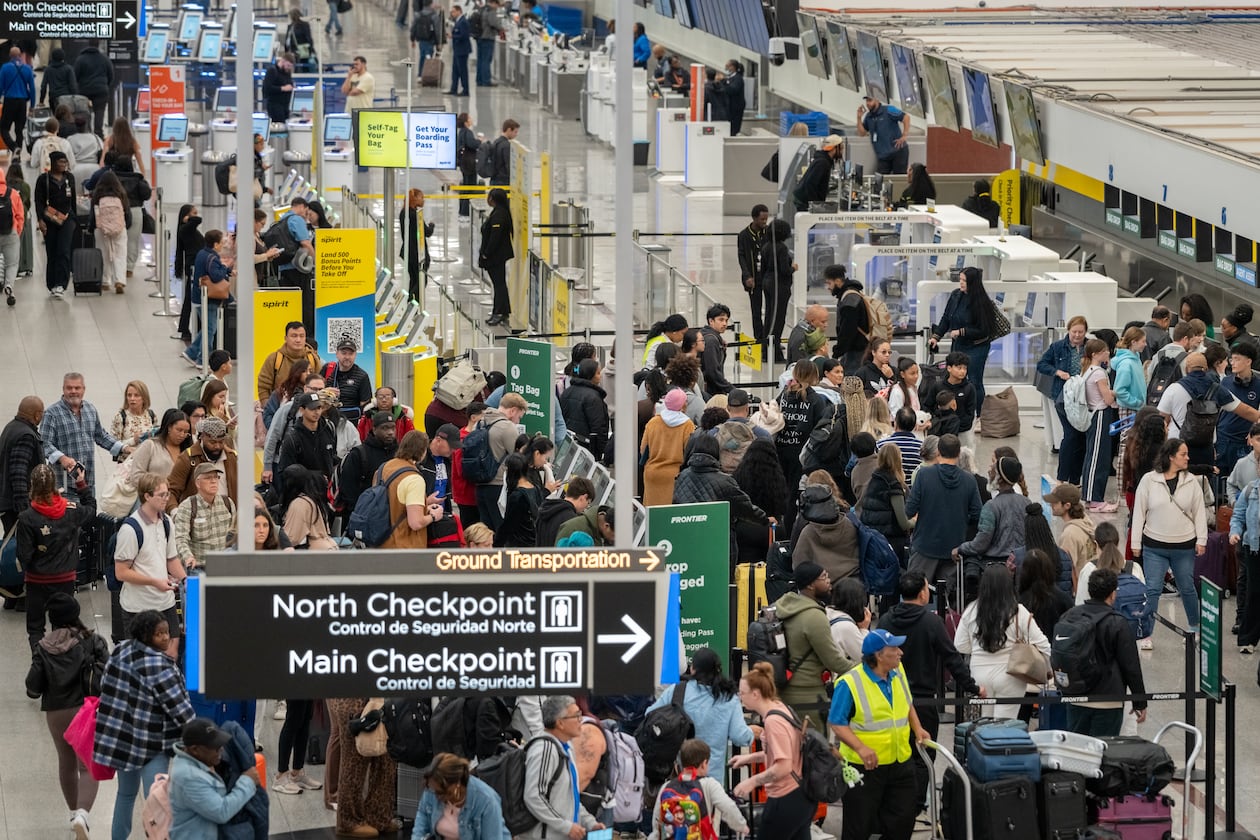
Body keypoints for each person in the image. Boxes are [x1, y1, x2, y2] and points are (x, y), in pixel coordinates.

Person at [879, 572, 982, 812]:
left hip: (890, 697)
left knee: (896, 753)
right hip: (924, 700)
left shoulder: (885, 620)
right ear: (923, 593)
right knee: (923, 755)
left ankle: (895, 803)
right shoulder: (932, 623)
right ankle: (914, 806)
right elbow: (952, 659)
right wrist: (973, 687)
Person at [96, 609, 195, 839]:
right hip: (152, 744)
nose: (165, 638)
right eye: (158, 633)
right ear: (145, 635)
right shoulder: (161, 666)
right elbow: (182, 711)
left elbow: (104, 684)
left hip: (122, 739)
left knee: (125, 795)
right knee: (156, 801)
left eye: (166, 632)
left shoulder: (121, 650)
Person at [830, 628, 930, 840]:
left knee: (902, 823)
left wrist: (918, 728)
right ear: (878, 655)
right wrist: (861, 748)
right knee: (859, 828)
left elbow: (907, 702)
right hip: (864, 768)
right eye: (894, 648)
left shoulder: (898, 671)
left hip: (900, 760)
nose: (900, 652)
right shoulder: (850, 683)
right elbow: (837, 723)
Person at [24, 590, 108, 837]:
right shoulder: (93, 641)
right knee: (87, 766)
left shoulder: (43, 647)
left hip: (56, 712)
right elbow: (111, 673)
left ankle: (73, 813)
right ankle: (83, 814)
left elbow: (33, 687)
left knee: (66, 762)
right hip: (86, 708)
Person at [1131, 437, 1207, 644]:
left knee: (1187, 587)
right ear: (1171, 457)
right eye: (1183, 454)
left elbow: (1199, 512)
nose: (1188, 458)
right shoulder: (1148, 480)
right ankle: (1146, 633)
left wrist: (1202, 540)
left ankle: (1194, 628)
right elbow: (1138, 512)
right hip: (1154, 545)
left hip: (1184, 546)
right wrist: (1135, 543)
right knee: (1153, 589)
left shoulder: (1192, 481)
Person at [1059, 569, 1149, 736]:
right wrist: (1139, 701)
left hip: (1075, 696)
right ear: (1113, 594)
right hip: (1108, 700)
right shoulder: (1117, 622)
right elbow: (1130, 666)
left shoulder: (1069, 616)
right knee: (1105, 752)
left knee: (1077, 751)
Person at [645, 648, 754, 785]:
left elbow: (649, 715)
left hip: (679, 777)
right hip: (712, 781)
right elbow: (740, 737)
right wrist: (752, 733)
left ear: (692, 669)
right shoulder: (728, 698)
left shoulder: (677, 691)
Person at [953, 565, 1050, 718]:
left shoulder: (971, 610)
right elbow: (1044, 645)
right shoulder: (1019, 611)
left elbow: (960, 645)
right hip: (1011, 674)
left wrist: (976, 648)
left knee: (983, 727)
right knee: (1005, 728)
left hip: (979, 675)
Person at [730, 663, 811, 838]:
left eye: (742, 693)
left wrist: (751, 782)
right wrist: (748, 758)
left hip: (785, 797)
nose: (739, 697)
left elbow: (783, 766)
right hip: (801, 794)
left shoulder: (773, 722)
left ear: (755, 694)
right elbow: (781, 753)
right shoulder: (781, 708)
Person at [773, 561, 857, 729]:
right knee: (814, 750)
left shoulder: (781, 607)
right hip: (809, 696)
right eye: (824, 577)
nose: (829, 581)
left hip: (783, 691)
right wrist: (866, 670)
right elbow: (834, 661)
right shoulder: (814, 617)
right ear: (811, 585)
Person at [906, 434, 982, 594]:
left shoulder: (924, 475)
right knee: (951, 601)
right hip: (955, 549)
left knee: (914, 595)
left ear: (938, 451)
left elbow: (909, 510)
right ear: (958, 453)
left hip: (924, 546)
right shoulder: (969, 480)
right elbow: (977, 514)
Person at [520, 695, 604, 839]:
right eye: (576, 716)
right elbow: (534, 796)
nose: (581, 720)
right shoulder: (544, 749)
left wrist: (590, 823)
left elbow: (570, 797)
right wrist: (565, 826)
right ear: (560, 723)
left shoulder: (566, 747)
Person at [1158, 352, 1260, 468]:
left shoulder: (1174, 389)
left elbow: (1162, 419)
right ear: (1206, 369)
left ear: (1187, 369)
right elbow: (1246, 410)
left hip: (1176, 448)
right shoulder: (1217, 389)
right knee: (1204, 482)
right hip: (1205, 448)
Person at [168, 718, 262, 837]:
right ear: (195, 750)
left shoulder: (196, 761)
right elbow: (221, 812)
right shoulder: (189, 777)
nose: (221, 750)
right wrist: (247, 781)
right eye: (215, 748)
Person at [41, 372, 128, 493]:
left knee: (89, 512)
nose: (73, 391)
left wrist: (124, 448)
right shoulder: (52, 413)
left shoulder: (90, 409)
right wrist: (62, 458)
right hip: (64, 486)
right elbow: (44, 443)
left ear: (84, 389)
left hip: (88, 484)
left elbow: (101, 436)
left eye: (77, 388)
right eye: (69, 388)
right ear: (63, 389)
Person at [929, 266, 998, 415]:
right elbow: (946, 317)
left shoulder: (982, 302)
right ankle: (952, 409)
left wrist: (961, 331)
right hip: (959, 345)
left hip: (976, 347)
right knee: (952, 378)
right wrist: (936, 336)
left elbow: (984, 329)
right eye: (960, 280)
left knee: (974, 380)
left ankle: (979, 415)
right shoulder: (955, 296)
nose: (960, 283)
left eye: (964, 281)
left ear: (972, 282)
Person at [411, 752, 511, 840]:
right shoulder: (433, 787)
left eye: (440, 792)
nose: (436, 795)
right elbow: (422, 818)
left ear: (456, 785)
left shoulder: (487, 801)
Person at [1037, 315, 1089, 481]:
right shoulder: (1058, 347)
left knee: (1081, 436)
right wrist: (1058, 372)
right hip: (1063, 396)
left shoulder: (1090, 347)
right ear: (1068, 331)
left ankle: (1074, 477)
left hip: (1083, 397)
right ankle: (1063, 476)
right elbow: (1041, 364)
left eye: (1081, 332)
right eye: (1074, 331)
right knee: (1071, 434)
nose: (1077, 335)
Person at [180, 230, 234, 370]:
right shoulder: (212, 257)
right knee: (210, 330)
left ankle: (191, 353)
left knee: (207, 328)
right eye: (221, 243)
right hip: (209, 299)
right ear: (215, 244)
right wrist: (225, 267)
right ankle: (201, 359)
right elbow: (216, 276)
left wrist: (225, 270)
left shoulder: (202, 253)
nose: (223, 245)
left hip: (199, 297)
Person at [1077, 338, 1120, 512]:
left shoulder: (1087, 370)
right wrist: (1116, 392)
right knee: (1099, 457)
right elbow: (1108, 399)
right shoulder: (1099, 373)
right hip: (1101, 414)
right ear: (1096, 354)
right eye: (1105, 351)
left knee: (1092, 455)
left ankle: (1090, 496)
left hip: (1092, 414)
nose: (1108, 353)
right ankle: (1095, 499)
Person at [171, 463, 235, 572]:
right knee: (194, 588)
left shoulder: (227, 503)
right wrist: (188, 557)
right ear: (197, 483)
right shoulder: (187, 507)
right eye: (208, 478)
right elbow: (180, 538)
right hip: (198, 567)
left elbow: (235, 533)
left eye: (216, 477)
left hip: (226, 566)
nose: (214, 481)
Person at [167, 417, 238, 511]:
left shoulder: (231, 457)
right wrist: (174, 512)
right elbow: (171, 491)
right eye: (212, 442)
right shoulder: (187, 458)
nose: (217, 446)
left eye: (221, 442)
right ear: (201, 437)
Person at [641, 388, 696, 507]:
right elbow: (689, 452)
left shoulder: (653, 422)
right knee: (669, 518)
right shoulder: (687, 425)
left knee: (652, 516)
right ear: (682, 405)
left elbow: (643, 449)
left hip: (652, 474)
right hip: (674, 476)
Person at [34, 151, 76, 298]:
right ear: (52, 162)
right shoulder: (43, 179)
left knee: (63, 251)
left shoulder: (69, 178)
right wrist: (40, 220)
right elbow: (38, 201)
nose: (64, 164)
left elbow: (73, 200)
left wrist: (74, 219)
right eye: (61, 162)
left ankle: (61, 284)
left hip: (67, 219)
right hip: (50, 220)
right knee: (52, 251)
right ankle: (51, 283)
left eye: (65, 162)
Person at [0, 396, 44, 533]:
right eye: (42, 413)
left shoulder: (11, 427)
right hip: (15, 506)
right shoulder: (26, 435)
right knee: (19, 545)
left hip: (7, 502)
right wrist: (24, 509)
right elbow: (18, 472)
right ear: (37, 415)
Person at [1217, 343, 1260, 473]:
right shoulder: (1225, 382)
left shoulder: (1258, 384)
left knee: (1242, 476)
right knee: (1220, 476)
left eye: (1237, 359)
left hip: (1243, 440)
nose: (1233, 363)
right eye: (1232, 359)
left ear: (1248, 361)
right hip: (1223, 437)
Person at [257, 322, 322, 406]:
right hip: (278, 409)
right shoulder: (274, 359)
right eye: (294, 336)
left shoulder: (313, 358)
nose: (298, 340)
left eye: (301, 336)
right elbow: (263, 387)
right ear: (286, 338)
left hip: (307, 410)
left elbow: (320, 385)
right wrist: (268, 410)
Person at [921, 352, 977, 447]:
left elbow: (970, 413)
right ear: (949, 368)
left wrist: (956, 426)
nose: (962, 371)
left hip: (962, 432)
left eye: (965, 368)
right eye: (959, 368)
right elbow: (927, 406)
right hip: (940, 431)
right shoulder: (937, 386)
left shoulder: (969, 388)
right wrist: (937, 423)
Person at [559, 359, 610, 461]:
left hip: (568, 444)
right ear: (590, 375)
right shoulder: (594, 398)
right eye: (598, 373)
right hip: (588, 449)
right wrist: (601, 451)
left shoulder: (567, 392)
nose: (600, 376)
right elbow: (598, 427)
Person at [825, 264, 872, 373]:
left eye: (829, 283)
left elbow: (848, 330)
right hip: (857, 349)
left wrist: (838, 351)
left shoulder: (849, 300)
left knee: (851, 383)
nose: (828, 287)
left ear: (837, 281)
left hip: (855, 352)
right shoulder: (852, 294)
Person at [480, 187, 514, 326]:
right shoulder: (499, 212)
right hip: (498, 255)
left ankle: (498, 312)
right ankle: (503, 311)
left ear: (493, 199)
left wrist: (486, 253)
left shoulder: (499, 215)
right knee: (500, 284)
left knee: (499, 284)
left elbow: (495, 237)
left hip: (496, 256)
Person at [737, 205, 770, 340]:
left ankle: (770, 337)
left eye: (766, 219)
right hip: (753, 278)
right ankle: (759, 338)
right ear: (755, 218)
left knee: (770, 309)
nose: (764, 222)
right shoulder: (744, 235)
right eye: (762, 219)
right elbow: (742, 256)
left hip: (767, 277)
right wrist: (747, 276)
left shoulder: (768, 232)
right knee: (756, 310)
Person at [173, 204, 205, 341]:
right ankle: (186, 328)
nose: (196, 215)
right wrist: (190, 219)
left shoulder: (189, 230)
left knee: (190, 298)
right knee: (191, 299)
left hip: (194, 265)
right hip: (193, 267)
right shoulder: (185, 229)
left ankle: (186, 327)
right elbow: (198, 220)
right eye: (193, 213)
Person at [856, 95, 911, 174]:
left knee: (899, 179)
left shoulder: (889, 110)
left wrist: (904, 135)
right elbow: (862, 133)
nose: (867, 103)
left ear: (877, 100)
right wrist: (859, 118)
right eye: (867, 101)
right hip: (883, 156)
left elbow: (906, 117)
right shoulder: (869, 117)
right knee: (880, 180)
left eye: (870, 100)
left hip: (898, 152)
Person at [398, 187, 435, 302]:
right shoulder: (414, 215)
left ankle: (412, 305)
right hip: (417, 253)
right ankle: (411, 300)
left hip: (408, 252)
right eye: (421, 197)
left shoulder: (403, 213)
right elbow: (427, 232)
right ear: (414, 199)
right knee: (420, 281)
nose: (423, 200)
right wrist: (431, 225)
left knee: (414, 279)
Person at [324, 338, 374, 420]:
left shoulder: (362, 376)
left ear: (355, 355)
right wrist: (327, 392)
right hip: (329, 420)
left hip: (352, 422)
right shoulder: (327, 370)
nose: (347, 357)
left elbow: (365, 405)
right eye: (344, 353)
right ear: (337, 354)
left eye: (351, 354)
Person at [792, 134, 844, 212]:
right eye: (841, 149)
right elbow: (810, 184)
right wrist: (817, 206)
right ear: (834, 149)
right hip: (804, 202)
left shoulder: (823, 160)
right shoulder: (823, 163)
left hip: (803, 199)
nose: (842, 151)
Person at [0, 48, 35, 156]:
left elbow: (0, 86)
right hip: (22, 102)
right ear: (20, 55)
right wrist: (32, 106)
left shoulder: (5, 68)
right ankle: (18, 154)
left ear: (10, 55)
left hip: (9, 101)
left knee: (4, 128)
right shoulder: (27, 68)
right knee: (19, 130)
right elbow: (32, 88)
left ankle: (13, 147)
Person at [73, 45, 113, 136]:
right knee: (99, 111)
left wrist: (79, 87)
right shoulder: (104, 58)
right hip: (101, 91)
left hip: (84, 91)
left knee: (84, 112)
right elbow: (111, 75)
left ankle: (85, 133)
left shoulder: (80, 59)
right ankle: (98, 134)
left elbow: (75, 76)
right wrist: (105, 85)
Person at [699, 303, 734, 397]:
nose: (725, 324)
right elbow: (712, 372)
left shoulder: (707, 335)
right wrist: (731, 389)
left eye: (726, 320)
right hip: (711, 392)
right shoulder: (711, 341)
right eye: (721, 320)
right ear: (711, 321)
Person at [262, 53, 296, 123]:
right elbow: (267, 88)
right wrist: (282, 88)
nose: (288, 68)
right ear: (283, 61)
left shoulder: (286, 72)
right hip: (275, 105)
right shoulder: (272, 71)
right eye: (288, 65)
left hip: (285, 106)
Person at [716, 59, 746, 135]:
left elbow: (732, 90)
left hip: (736, 107)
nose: (726, 68)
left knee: (734, 127)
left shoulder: (738, 79)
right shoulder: (729, 78)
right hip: (729, 107)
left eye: (727, 66)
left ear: (732, 67)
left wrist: (723, 81)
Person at [449, 6, 472, 96]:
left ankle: (465, 90)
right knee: (455, 70)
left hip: (462, 50)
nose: (452, 14)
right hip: (457, 50)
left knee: (462, 70)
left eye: (454, 12)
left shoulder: (463, 22)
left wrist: (453, 36)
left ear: (459, 11)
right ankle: (453, 88)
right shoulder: (457, 21)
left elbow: (464, 35)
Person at [487, 119, 518, 187]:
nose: (516, 135)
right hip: (503, 180)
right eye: (515, 132)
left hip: (494, 179)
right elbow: (508, 165)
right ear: (509, 130)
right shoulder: (506, 145)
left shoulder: (496, 142)